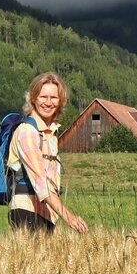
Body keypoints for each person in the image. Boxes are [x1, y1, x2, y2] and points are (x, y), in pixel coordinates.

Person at [7, 72, 88, 234]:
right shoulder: (27, 132)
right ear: (33, 98)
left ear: (61, 102)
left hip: (48, 212)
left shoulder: (50, 133)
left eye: (54, 98)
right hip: (27, 210)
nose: (48, 103)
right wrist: (69, 217)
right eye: (43, 97)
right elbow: (40, 181)